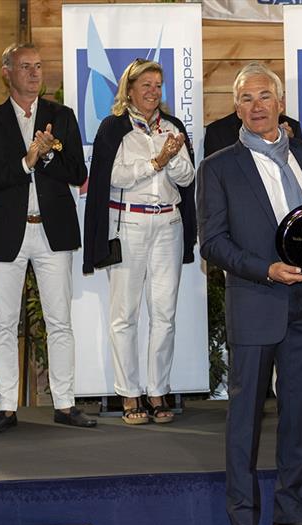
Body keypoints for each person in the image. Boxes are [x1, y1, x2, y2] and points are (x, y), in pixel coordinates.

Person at [198, 63, 302, 525]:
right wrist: (267, 270)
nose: (256, 106)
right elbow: (212, 242)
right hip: (255, 304)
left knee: (298, 421)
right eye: (246, 99)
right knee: (244, 425)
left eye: (264, 97)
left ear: (280, 104)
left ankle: (292, 514)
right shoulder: (217, 167)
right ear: (237, 109)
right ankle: (243, 520)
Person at [0, 43, 94, 434]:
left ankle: (65, 403)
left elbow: (77, 171)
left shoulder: (62, 116)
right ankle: (6, 407)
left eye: (38, 66)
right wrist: (27, 160)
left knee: (60, 321)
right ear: (7, 71)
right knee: (4, 324)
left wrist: (48, 154)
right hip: (8, 232)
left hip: (52, 230)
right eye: (25, 66)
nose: (34, 73)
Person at [83, 59, 196, 425]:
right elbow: (109, 177)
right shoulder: (114, 128)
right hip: (128, 224)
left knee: (164, 314)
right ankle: (129, 394)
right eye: (145, 84)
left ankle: (157, 391)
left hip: (169, 224)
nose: (152, 91)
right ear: (129, 89)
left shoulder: (173, 127)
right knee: (124, 315)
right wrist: (155, 161)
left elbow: (187, 177)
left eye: (158, 85)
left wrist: (173, 157)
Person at [204, 109, 301, 158]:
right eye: (249, 98)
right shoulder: (217, 131)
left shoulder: (291, 126)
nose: (257, 106)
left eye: (264, 97)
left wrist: (289, 143)